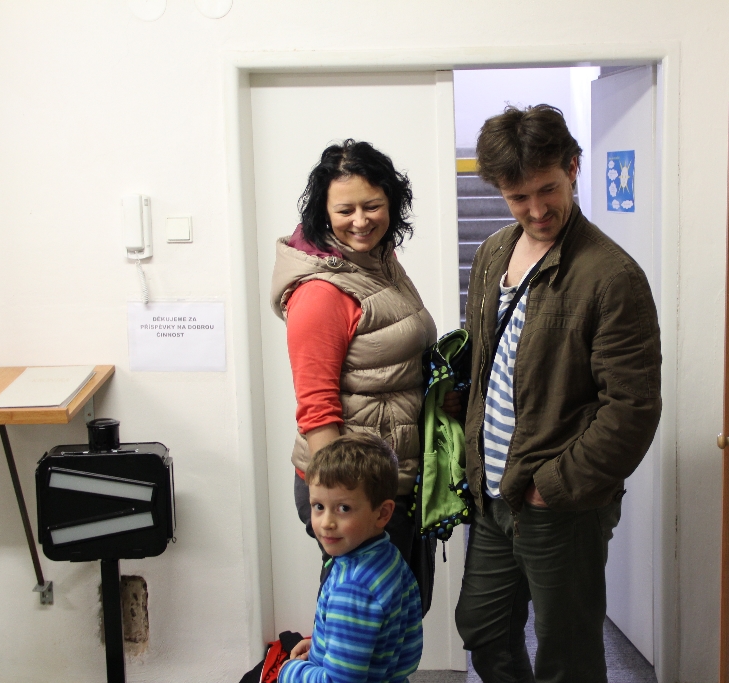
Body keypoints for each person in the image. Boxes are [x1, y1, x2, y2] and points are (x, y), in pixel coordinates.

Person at [454, 104, 662, 683]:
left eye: (548, 189)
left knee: (567, 654)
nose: (537, 210)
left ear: (573, 168)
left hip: (557, 501)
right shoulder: (493, 253)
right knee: (483, 628)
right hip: (493, 490)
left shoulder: (612, 276)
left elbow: (633, 409)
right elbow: (488, 356)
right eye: (518, 197)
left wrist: (552, 487)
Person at [270, 140, 437, 580]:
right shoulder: (320, 293)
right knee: (359, 614)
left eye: (372, 206)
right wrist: (341, 507)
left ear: (391, 203)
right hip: (355, 490)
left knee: (399, 609)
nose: (361, 221)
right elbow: (317, 409)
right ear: (324, 212)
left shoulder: (379, 262)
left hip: (391, 477)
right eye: (345, 210)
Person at [278, 433, 423, 683]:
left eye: (343, 508)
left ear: (383, 513)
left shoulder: (353, 588)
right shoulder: (387, 556)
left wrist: (289, 672)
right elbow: (373, 637)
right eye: (318, 506)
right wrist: (321, 644)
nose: (326, 523)